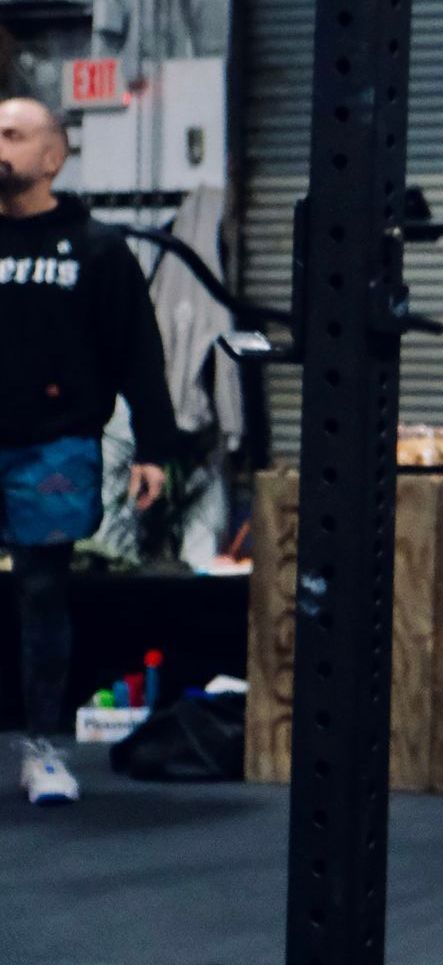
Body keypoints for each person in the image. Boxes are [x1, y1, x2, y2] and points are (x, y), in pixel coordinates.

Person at [0, 96, 177, 804]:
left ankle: (41, 749)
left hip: (54, 447)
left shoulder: (98, 249)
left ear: (52, 157)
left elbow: (139, 353)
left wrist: (153, 449)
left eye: (11, 136)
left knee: (42, 591)